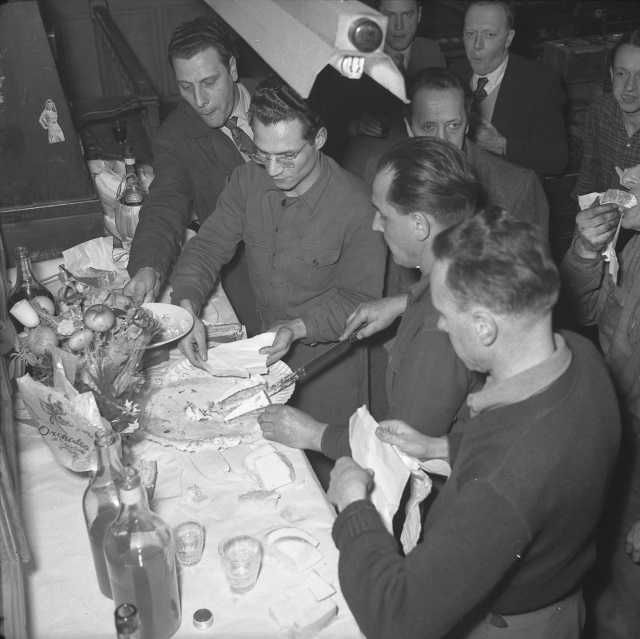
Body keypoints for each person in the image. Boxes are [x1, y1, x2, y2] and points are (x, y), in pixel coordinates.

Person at [327, 207, 621, 639]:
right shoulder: (580, 356)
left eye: (445, 313)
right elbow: (552, 451)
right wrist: (441, 448)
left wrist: (354, 504)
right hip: (560, 598)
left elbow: (396, 618)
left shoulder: (503, 480)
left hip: (504, 625)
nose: (441, 323)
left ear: (484, 327)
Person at [170, 74, 385, 484]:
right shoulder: (248, 180)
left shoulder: (358, 208)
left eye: (286, 156)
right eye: (262, 153)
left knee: (327, 483)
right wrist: (186, 307)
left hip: (327, 368)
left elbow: (359, 302)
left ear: (319, 139)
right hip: (264, 354)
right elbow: (208, 245)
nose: (272, 170)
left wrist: (298, 327)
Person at [258, 137, 483, 460]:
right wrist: (402, 304)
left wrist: (313, 434)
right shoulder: (470, 267)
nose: (376, 225)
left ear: (419, 225)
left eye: (383, 214)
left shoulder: (437, 336)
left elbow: (399, 453)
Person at [559, 31, 640, 639]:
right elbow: (582, 308)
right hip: (616, 423)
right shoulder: (630, 251)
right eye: (621, 74)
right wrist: (587, 250)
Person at [124, 16, 260, 336]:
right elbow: (164, 204)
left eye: (209, 82)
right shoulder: (175, 136)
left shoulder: (283, 96)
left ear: (233, 69)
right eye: (186, 87)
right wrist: (148, 266)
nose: (199, 101)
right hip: (247, 267)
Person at [320, 0, 445, 176]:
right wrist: (356, 126)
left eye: (407, 14)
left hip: (423, 168)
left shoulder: (432, 51)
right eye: (390, 15)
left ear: (419, 15)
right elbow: (329, 119)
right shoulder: (354, 57)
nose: (399, 26)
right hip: (366, 170)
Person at [450, 0, 568, 175]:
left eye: (489, 35)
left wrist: (501, 145)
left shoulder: (541, 81)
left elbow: (557, 159)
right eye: (471, 33)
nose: (477, 45)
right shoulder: (454, 73)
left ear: (508, 38)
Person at [573, 30, 640, 199]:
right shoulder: (601, 111)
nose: (630, 86)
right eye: (621, 74)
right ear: (611, 74)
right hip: (606, 211)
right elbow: (590, 171)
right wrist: (582, 209)